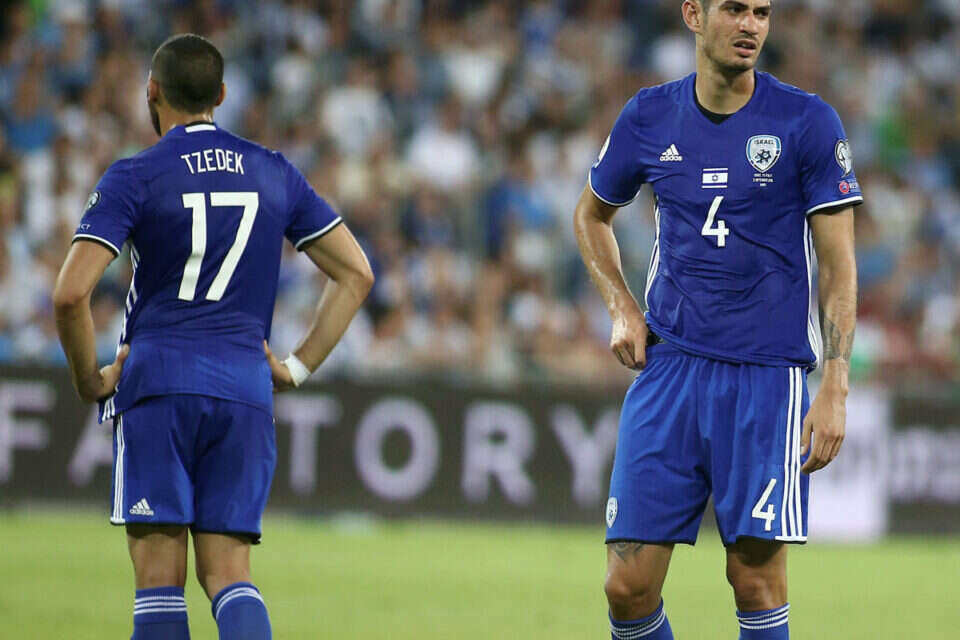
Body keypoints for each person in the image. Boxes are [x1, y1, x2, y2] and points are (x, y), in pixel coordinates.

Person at [53, 34, 373, 640]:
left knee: (159, 580)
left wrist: (89, 378)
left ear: (152, 91)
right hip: (245, 389)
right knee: (229, 574)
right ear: (222, 95)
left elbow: (70, 294)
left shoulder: (136, 175)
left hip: (158, 384)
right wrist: (296, 367)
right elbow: (357, 273)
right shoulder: (274, 171)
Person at [574, 2, 859, 639]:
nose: (751, 24)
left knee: (755, 581)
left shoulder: (807, 121)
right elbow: (590, 215)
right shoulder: (649, 115)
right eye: (734, 8)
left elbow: (840, 268)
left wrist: (836, 385)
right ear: (694, 15)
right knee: (626, 587)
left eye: (762, 12)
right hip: (669, 367)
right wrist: (621, 305)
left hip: (766, 377)